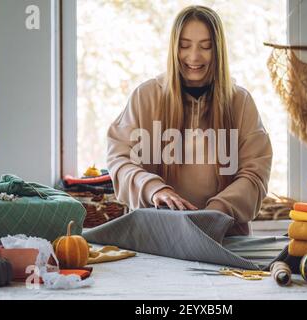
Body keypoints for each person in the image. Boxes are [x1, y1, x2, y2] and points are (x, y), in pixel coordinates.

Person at [106, 5, 272, 236]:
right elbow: (120, 160)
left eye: (206, 47)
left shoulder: (240, 102)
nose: (194, 57)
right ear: (174, 48)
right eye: (184, 46)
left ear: (218, 51)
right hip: (158, 233)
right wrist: (154, 190)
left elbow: (256, 173)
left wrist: (216, 211)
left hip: (225, 236)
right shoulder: (145, 96)